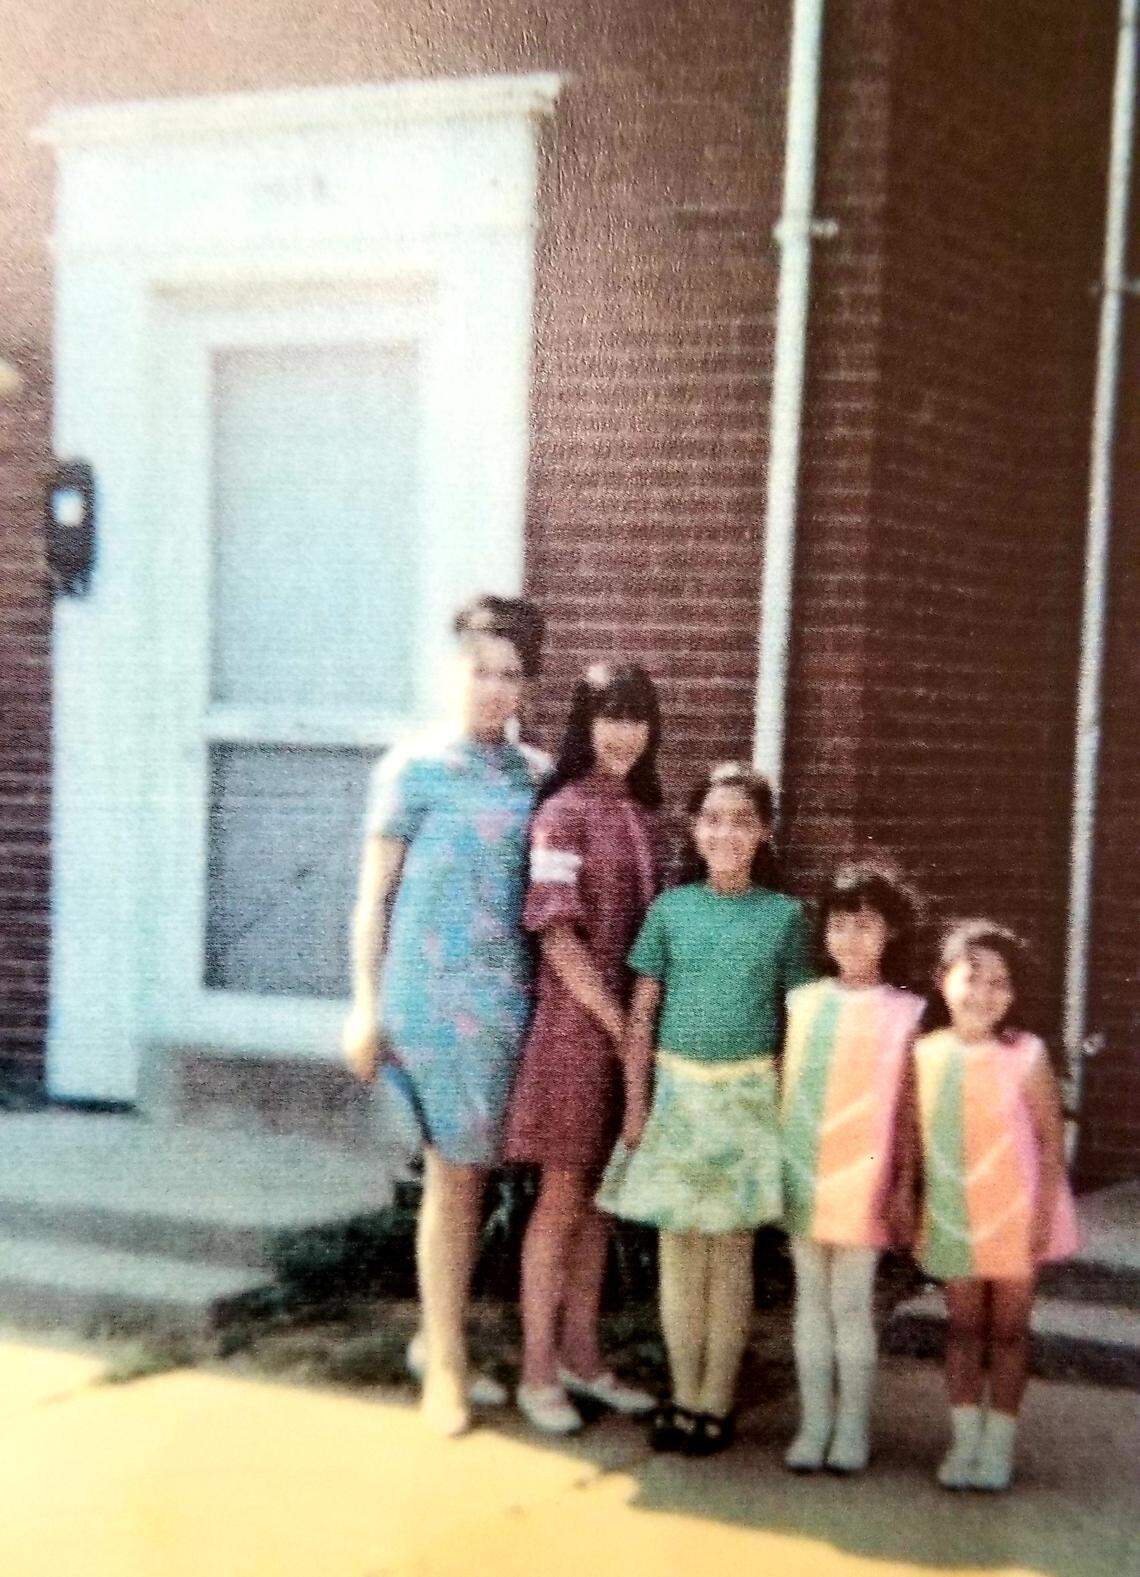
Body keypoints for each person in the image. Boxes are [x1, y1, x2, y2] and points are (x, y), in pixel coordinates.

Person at [342, 594, 546, 1438]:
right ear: (453, 670)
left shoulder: (536, 775)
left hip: (511, 1001)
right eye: (480, 670)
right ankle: (448, 1369)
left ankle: (441, 1337)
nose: (494, 688)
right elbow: (372, 899)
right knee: (453, 1177)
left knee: (488, 1178)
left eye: (511, 674)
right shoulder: (411, 768)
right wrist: (362, 1004)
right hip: (432, 1002)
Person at [597, 762, 813, 1456]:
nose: (726, 832)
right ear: (695, 828)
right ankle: (682, 1390)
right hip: (678, 1095)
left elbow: (799, 1024)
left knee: (730, 1248)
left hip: (747, 1096)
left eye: (743, 820)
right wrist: (636, 1104)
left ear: (765, 832)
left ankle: (716, 1397)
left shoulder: (784, 918)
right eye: (713, 818)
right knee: (679, 1248)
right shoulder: (671, 909)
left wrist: (787, 1110)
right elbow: (641, 1014)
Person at [504, 662, 664, 1434]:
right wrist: (615, 1021)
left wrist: (636, 1031)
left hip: (625, 1037)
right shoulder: (561, 813)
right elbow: (557, 930)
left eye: (637, 718)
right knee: (562, 1199)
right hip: (575, 1033)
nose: (623, 733)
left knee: (600, 1201)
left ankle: (583, 1356)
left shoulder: (642, 815)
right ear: (583, 723)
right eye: (609, 716)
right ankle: (537, 1370)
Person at [913, 919, 1079, 1491]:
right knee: (962, 1330)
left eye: (1000, 984)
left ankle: (999, 1446)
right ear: (943, 980)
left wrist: (1041, 1218)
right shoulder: (927, 1054)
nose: (984, 995)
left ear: (1014, 995)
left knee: (1008, 1332)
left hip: (1016, 1211)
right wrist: (915, 1206)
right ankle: (965, 1443)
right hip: (955, 1212)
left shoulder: (1026, 1055)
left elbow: (1053, 1144)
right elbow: (915, 1142)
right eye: (972, 978)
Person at [780, 860, 924, 1473]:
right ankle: (814, 1426)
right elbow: (787, 1087)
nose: (851, 938)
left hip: (867, 1175)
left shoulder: (907, 1011)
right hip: (806, 1168)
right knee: (809, 1297)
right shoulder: (803, 1000)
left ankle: (853, 1429)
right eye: (840, 924)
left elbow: (912, 1110)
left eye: (866, 925)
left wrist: (905, 1184)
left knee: (852, 1301)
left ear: (890, 932)